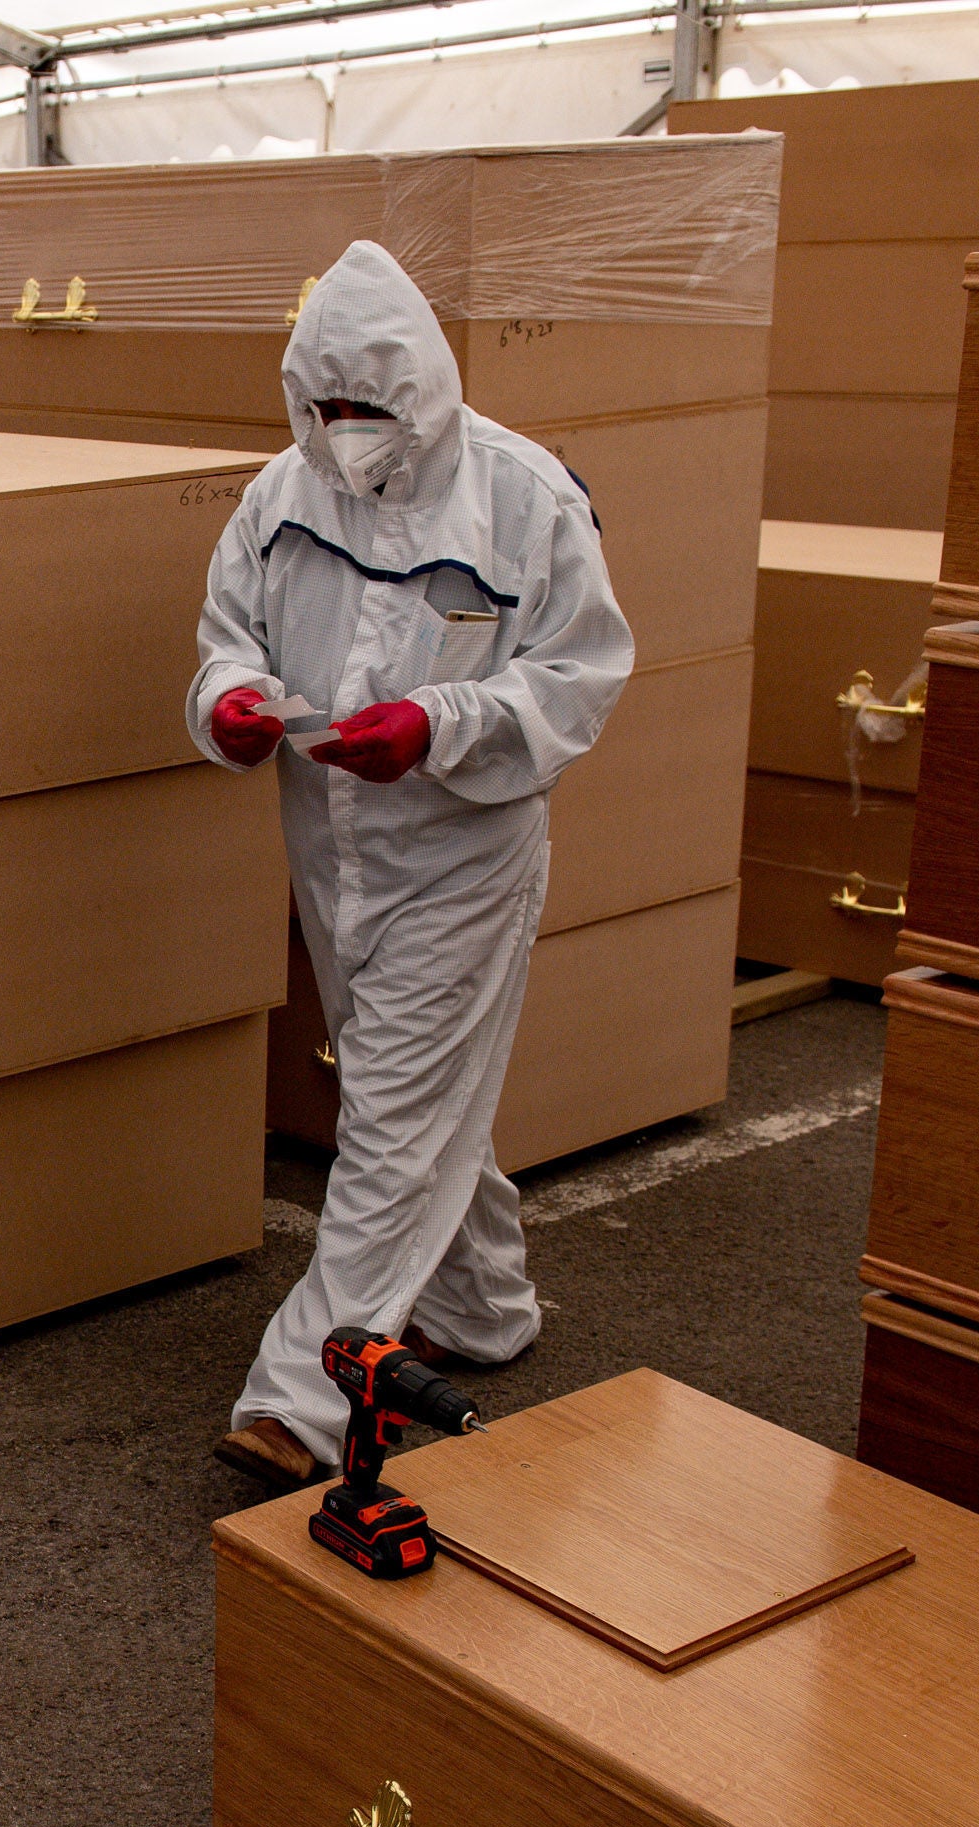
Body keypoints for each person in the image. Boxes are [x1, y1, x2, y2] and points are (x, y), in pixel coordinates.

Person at [192, 240, 632, 1489]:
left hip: (461, 853)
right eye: (324, 409)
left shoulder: (522, 498)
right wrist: (227, 702)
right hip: (330, 849)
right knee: (419, 1091)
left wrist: (439, 725)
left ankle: (302, 1400)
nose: (347, 434)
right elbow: (227, 634)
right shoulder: (280, 496)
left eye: (369, 409)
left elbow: (578, 675)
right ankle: (485, 1306)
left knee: (388, 1117)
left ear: (425, 396)